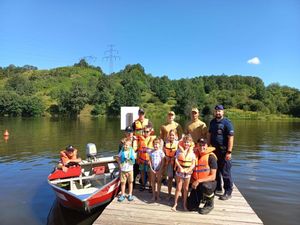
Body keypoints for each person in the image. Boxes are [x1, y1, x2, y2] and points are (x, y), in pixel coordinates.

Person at [207, 105, 234, 200]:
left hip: (224, 151)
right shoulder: (212, 122)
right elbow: (209, 134)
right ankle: (218, 188)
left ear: (223, 112)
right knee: (216, 170)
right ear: (214, 112)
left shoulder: (227, 123)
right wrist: (207, 147)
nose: (218, 113)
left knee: (225, 172)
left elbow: (231, 138)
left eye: (220, 111)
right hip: (214, 151)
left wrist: (229, 152)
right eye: (216, 111)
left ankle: (228, 191)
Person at [187, 139, 217, 214]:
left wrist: (198, 181)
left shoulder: (211, 157)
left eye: (203, 145)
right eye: (200, 145)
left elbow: (213, 176)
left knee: (205, 186)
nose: (201, 147)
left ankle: (210, 203)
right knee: (191, 207)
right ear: (197, 146)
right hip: (196, 183)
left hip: (208, 183)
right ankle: (201, 198)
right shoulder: (194, 155)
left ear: (207, 146)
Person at [172, 134, 196, 212]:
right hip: (180, 172)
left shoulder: (192, 152)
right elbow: (176, 160)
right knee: (178, 188)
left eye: (188, 142)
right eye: (185, 142)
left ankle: (184, 204)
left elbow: (193, 164)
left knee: (186, 189)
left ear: (191, 143)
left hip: (188, 173)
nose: (186, 144)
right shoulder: (179, 150)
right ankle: (175, 204)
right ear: (183, 143)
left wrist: (189, 169)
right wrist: (180, 168)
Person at [137, 125, 156, 192]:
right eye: (144, 131)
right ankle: (143, 185)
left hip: (149, 160)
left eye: (147, 131)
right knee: (142, 173)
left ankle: (150, 185)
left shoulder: (153, 139)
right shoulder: (140, 139)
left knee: (149, 173)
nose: (145, 133)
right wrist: (138, 159)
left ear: (150, 132)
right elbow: (139, 150)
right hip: (141, 159)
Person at [163, 129, 179, 200]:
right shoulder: (165, 143)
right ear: (168, 136)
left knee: (178, 180)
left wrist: (174, 157)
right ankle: (169, 194)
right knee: (169, 179)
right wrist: (166, 157)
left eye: (173, 135)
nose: (171, 136)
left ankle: (178, 195)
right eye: (170, 135)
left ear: (175, 136)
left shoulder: (178, 143)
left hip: (176, 163)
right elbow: (163, 152)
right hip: (169, 163)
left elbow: (180, 153)